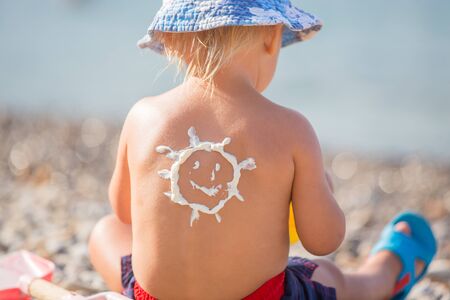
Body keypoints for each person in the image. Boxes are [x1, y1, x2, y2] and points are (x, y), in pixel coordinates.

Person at [88, 1, 437, 299]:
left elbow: (124, 212)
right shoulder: (291, 129)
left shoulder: (142, 116)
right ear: (272, 38)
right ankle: (385, 274)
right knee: (329, 275)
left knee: (106, 231)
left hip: (153, 298)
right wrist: (319, 190)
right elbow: (323, 238)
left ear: (173, 43)